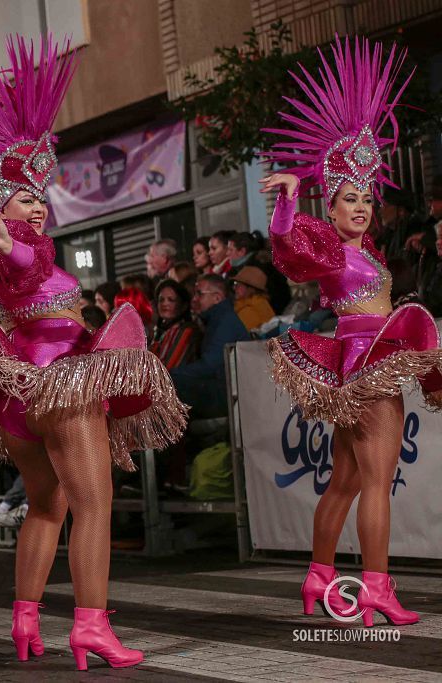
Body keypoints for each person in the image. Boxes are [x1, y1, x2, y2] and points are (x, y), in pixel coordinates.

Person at [0, 35, 186, 671]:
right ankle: (91, 627)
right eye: (24, 198)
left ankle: (25, 617)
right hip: (62, 388)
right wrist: (8, 244)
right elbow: (22, 262)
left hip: (20, 398)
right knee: (93, 506)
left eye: (41, 197)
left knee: (47, 504)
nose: (37, 207)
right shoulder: (14, 245)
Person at [260, 37, 442, 628]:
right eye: (348, 199)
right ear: (329, 207)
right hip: (367, 368)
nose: (361, 206)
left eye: (366, 197)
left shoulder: (363, 249)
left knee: (344, 480)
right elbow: (288, 247)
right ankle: (375, 589)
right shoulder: (332, 252)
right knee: (378, 485)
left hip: (355, 367)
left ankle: (318, 576)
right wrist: (288, 202)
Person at [170, 274, 249, 419]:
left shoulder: (225, 322)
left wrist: (171, 375)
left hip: (227, 394)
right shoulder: (215, 320)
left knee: (172, 387)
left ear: (217, 298)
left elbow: (210, 365)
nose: (194, 299)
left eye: (199, 294)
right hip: (222, 389)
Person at [151, 279, 200, 369]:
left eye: (171, 300)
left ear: (183, 305)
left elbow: (170, 367)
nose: (165, 304)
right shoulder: (159, 331)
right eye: (161, 300)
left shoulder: (187, 331)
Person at [230, 266, 275, 332]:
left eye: (237, 284)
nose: (234, 288)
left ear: (250, 288)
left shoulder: (249, 310)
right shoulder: (261, 302)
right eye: (234, 283)